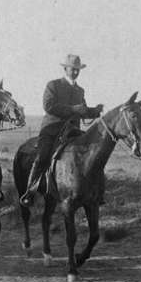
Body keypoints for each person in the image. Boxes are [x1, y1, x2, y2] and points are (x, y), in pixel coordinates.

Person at [19, 54, 104, 207]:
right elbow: (49, 106)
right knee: (42, 156)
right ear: (65, 69)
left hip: (73, 132)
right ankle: (30, 192)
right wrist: (72, 109)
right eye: (73, 69)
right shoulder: (53, 85)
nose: (76, 72)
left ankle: (96, 192)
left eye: (78, 70)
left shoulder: (80, 90)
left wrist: (95, 111)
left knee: (93, 153)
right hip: (52, 130)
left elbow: (82, 111)